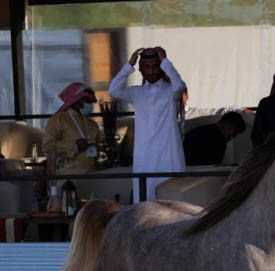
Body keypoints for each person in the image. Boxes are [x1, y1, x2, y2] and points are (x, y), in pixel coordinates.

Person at [108, 46, 186, 203]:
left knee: (173, 204)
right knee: (145, 204)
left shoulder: (171, 91)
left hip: (168, 155)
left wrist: (165, 61)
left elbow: (180, 86)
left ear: (161, 68)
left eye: (154, 66)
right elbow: (113, 90)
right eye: (146, 67)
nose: (150, 71)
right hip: (145, 158)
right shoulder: (137, 93)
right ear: (141, 69)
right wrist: (129, 65)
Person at [43, 82, 102, 175]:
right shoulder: (58, 120)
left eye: (92, 102)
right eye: (87, 101)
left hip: (91, 178)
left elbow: (99, 151)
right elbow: (48, 148)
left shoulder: (93, 125)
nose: (90, 105)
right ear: (75, 101)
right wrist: (75, 147)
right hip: (66, 179)